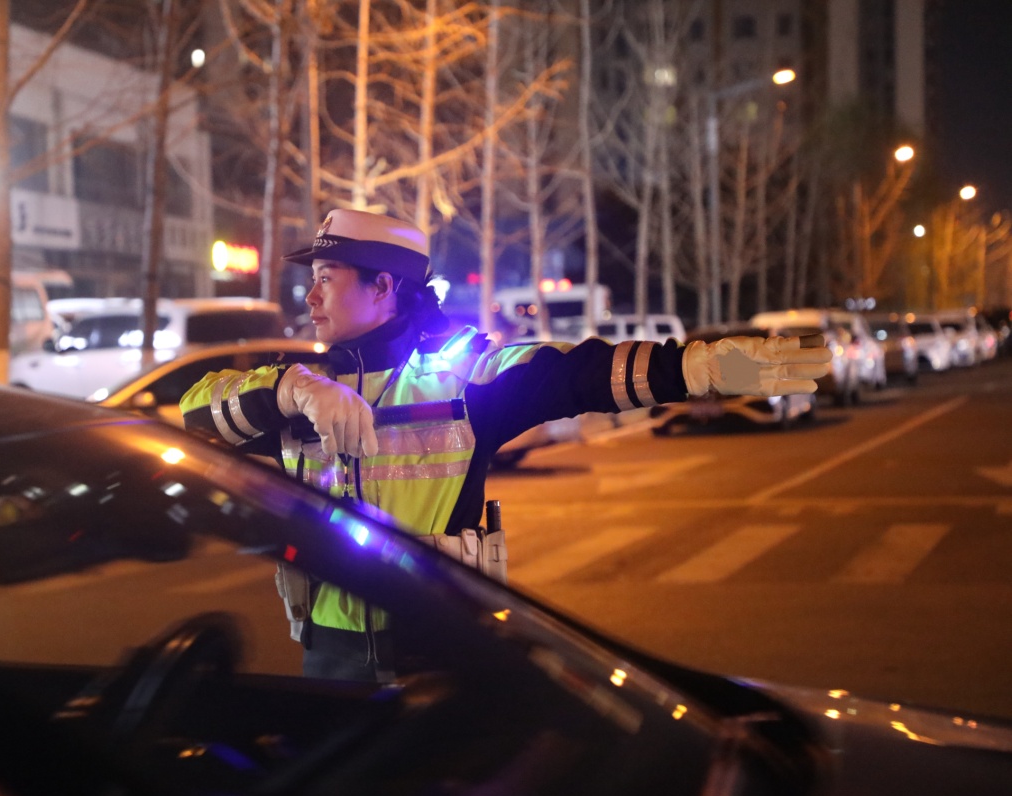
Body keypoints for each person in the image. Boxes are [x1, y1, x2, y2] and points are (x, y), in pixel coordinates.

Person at [182, 209, 830, 682]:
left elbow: (579, 373)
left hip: (443, 649)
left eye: (327, 276)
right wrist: (293, 389)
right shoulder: (297, 386)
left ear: (383, 287)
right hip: (329, 656)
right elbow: (196, 413)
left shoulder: (462, 375)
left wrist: (701, 367)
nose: (311, 294)